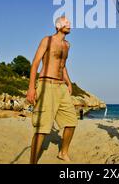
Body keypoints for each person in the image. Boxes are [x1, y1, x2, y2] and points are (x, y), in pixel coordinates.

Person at [26, 16, 77, 164]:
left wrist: (69, 82)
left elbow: (63, 65)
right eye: (66, 23)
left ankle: (63, 152)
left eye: (70, 23)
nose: (69, 25)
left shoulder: (67, 45)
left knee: (72, 122)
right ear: (58, 26)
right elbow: (35, 64)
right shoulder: (47, 40)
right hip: (46, 84)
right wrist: (31, 88)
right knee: (42, 127)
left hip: (61, 86)